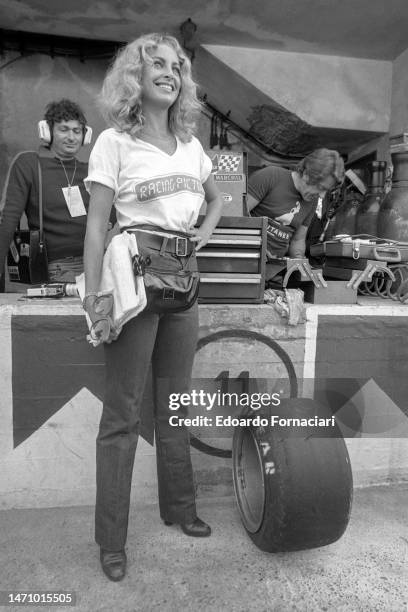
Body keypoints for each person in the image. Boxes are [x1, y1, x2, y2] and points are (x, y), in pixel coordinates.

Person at [83, 33, 223, 582]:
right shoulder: (114, 141)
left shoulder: (192, 146)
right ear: (134, 78)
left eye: (177, 66)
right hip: (134, 284)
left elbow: (216, 200)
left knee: (175, 406)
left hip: (184, 284)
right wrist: (94, 296)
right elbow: (97, 224)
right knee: (121, 415)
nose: (169, 72)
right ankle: (111, 539)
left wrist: (201, 238)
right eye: (156, 64)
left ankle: (180, 507)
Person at [0, 99, 93, 287]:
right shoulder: (29, 164)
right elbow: (8, 217)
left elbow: (116, 202)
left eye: (77, 131)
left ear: (85, 135)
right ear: (47, 132)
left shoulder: (92, 169)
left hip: (95, 264)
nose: (71, 137)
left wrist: (107, 222)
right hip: (55, 268)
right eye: (64, 129)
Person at [247, 149, 345, 280]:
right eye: (321, 188)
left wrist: (299, 263)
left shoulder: (312, 201)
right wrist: (256, 246)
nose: (322, 195)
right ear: (306, 174)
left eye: (326, 191)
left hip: (272, 273)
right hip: (246, 262)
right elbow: (237, 216)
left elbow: (298, 239)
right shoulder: (270, 176)